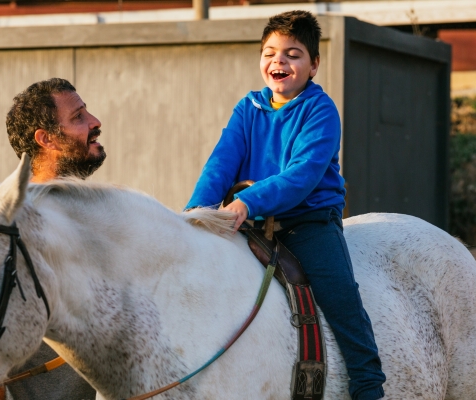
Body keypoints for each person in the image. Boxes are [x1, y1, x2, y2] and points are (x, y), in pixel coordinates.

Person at [185, 10, 386, 400]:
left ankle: (368, 383)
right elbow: (221, 163)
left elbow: (302, 175)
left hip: (307, 221)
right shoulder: (249, 108)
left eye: (293, 54)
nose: (278, 61)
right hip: (251, 220)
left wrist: (246, 200)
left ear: (314, 65)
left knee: (340, 296)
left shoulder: (320, 111)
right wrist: (197, 211)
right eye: (270, 52)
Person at [0, 77, 104, 399]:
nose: (95, 123)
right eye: (78, 117)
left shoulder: (95, 213)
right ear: (47, 139)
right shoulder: (12, 224)